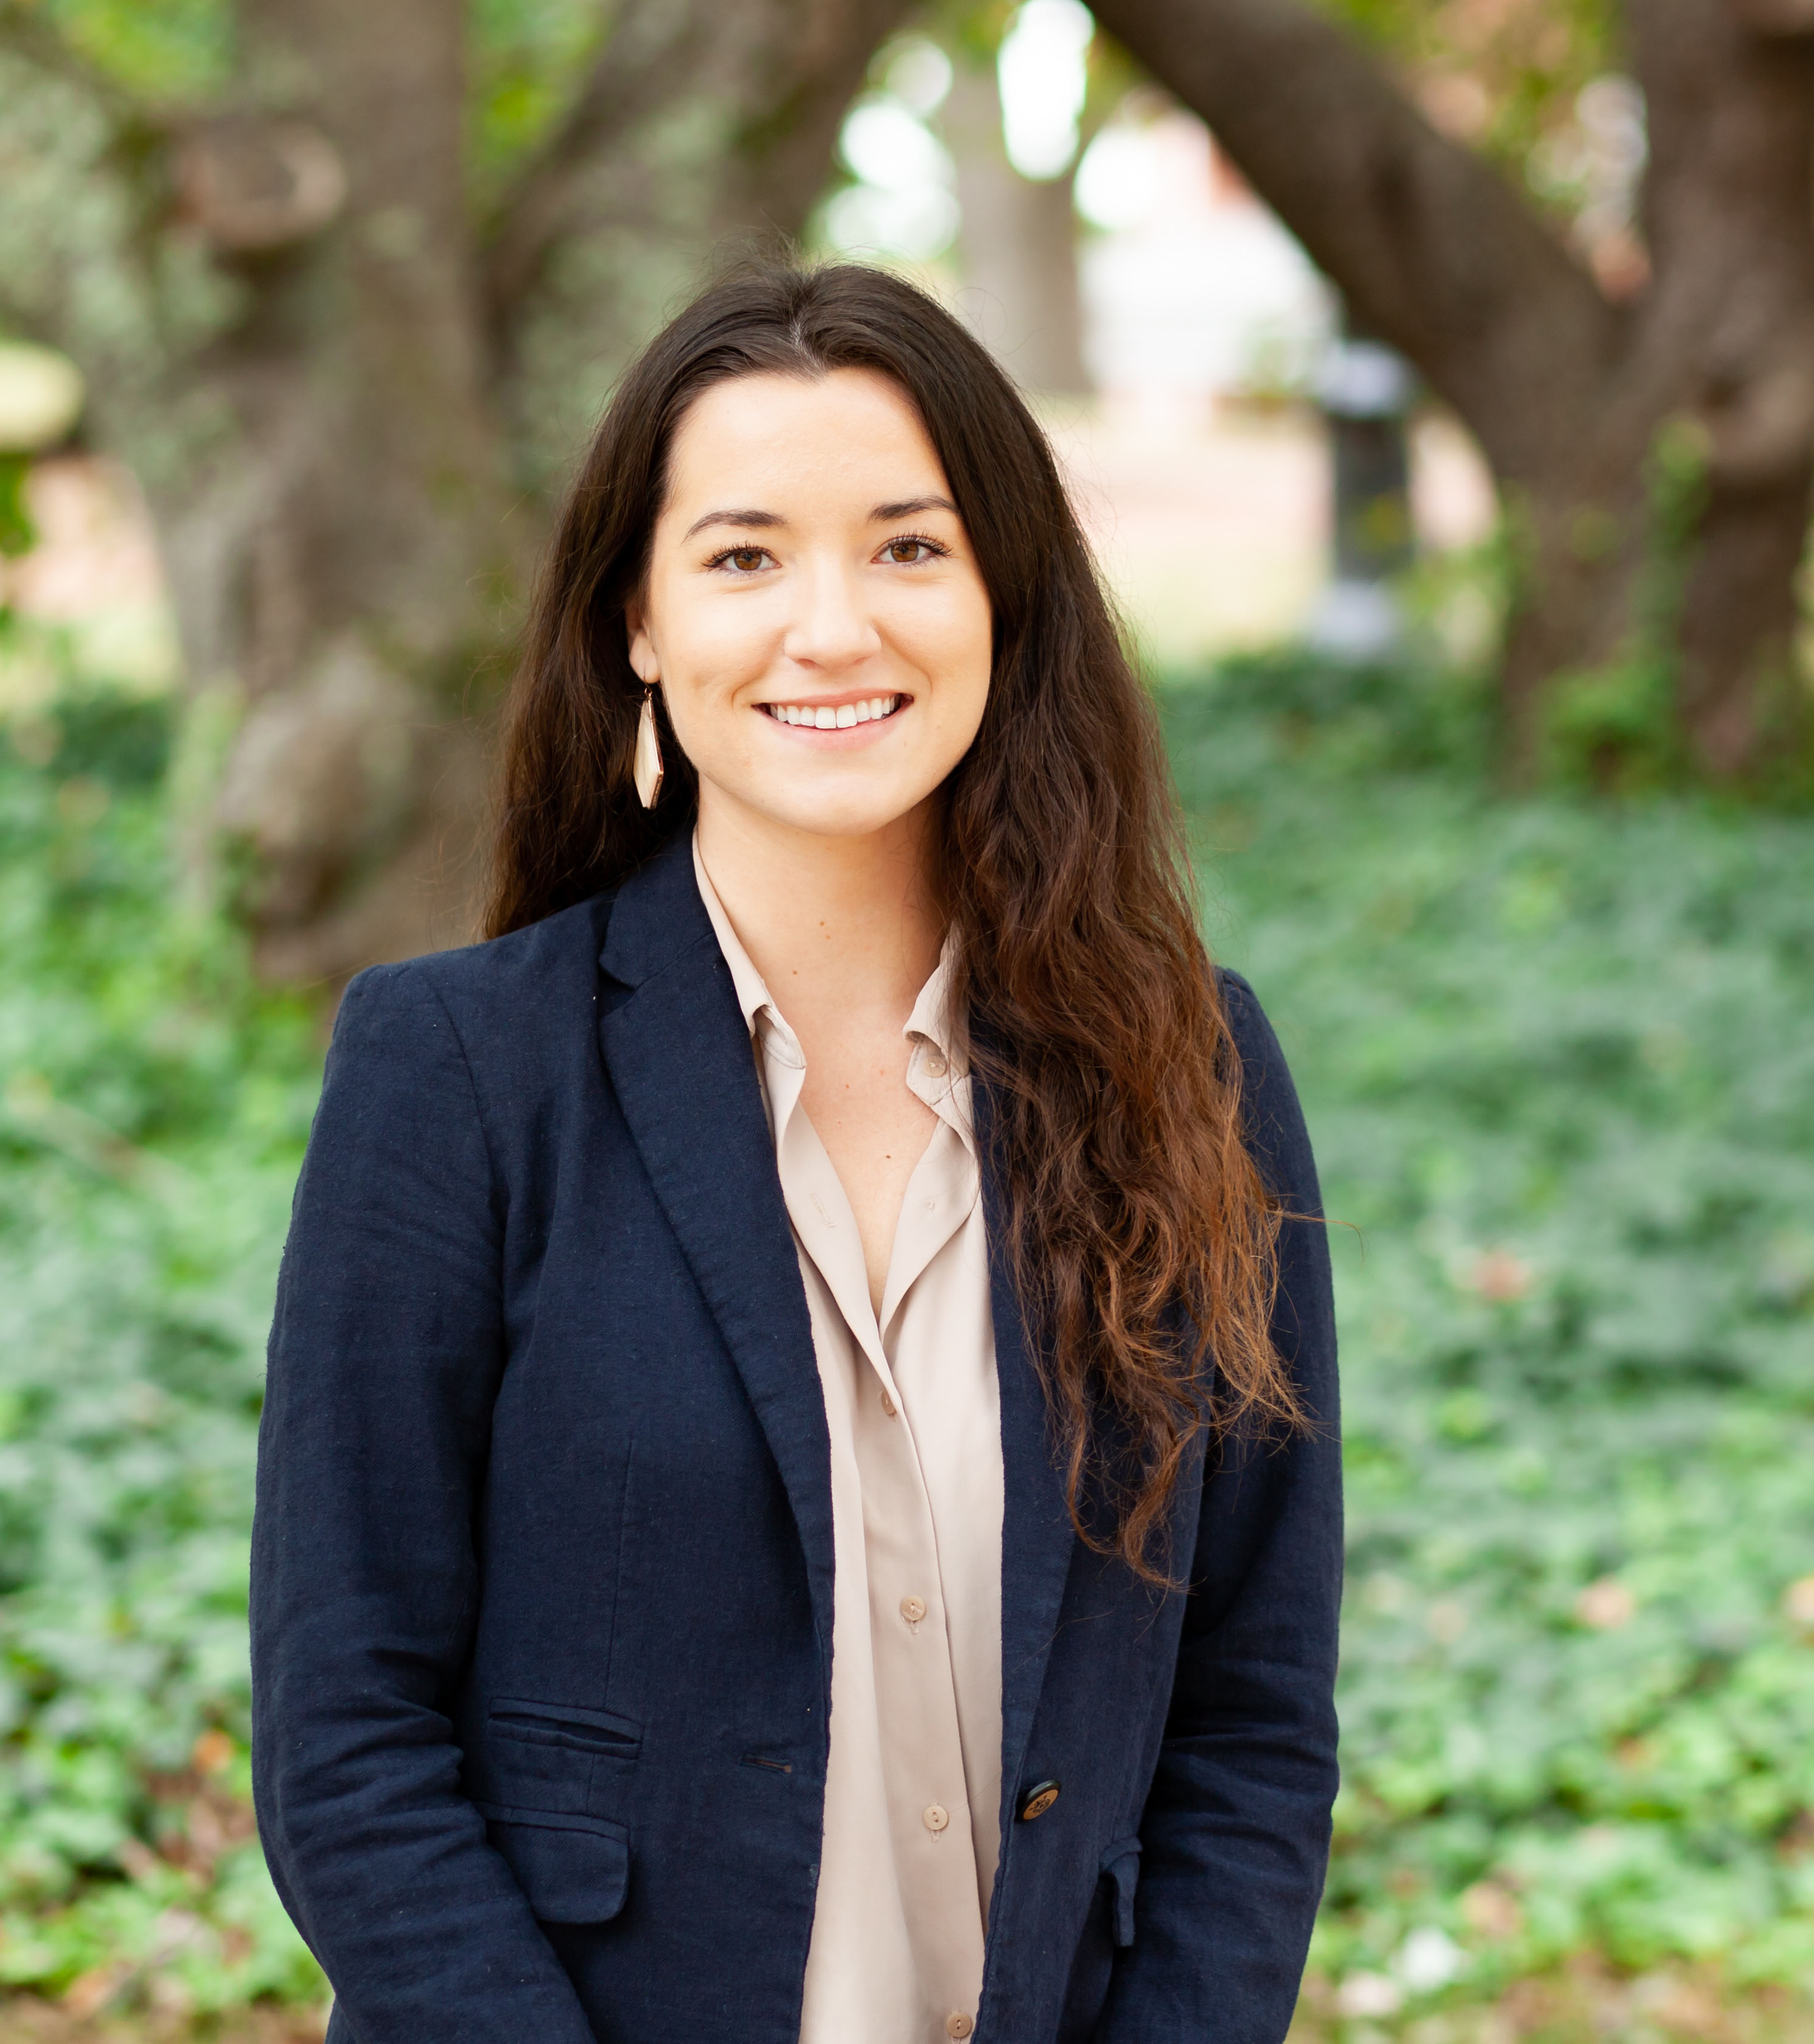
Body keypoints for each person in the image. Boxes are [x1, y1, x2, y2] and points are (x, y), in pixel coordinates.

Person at [250, 260, 1340, 2044]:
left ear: (1005, 596)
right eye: (743, 556)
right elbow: (346, 1726)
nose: (829, 627)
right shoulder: (456, 1068)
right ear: (636, 621)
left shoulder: (1191, 1067)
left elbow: (1251, 1711)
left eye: (908, 548)